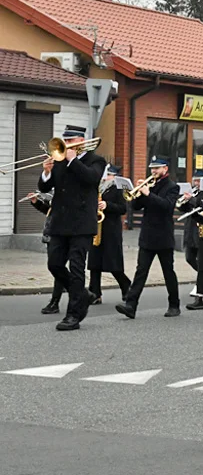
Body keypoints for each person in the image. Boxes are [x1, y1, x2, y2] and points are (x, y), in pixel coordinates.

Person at [38, 125, 105, 331]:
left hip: (82, 224)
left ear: (81, 141)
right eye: (65, 141)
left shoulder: (96, 160)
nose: (67, 144)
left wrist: (72, 160)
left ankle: (73, 314)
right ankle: (82, 294)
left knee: (76, 268)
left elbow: (90, 179)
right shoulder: (59, 160)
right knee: (54, 264)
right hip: (60, 222)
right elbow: (44, 188)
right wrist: (46, 172)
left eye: (72, 141)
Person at [115, 155, 181, 320]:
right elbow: (136, 206)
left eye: (157, 168)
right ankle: (131, 305)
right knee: (141, 271)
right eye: (152, 168)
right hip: (147, 235)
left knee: (168, 272)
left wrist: (148, 193)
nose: (153, 171)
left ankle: (174, 304)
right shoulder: (149, 184)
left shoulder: (173, 187)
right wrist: (137, 194)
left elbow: (166, 207)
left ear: (165, 169)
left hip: (164, 236)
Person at [88, 165, 131, 304]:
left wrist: (107, 205)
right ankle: (95, 293)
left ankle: (125, 286)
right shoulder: (97, 187)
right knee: (94, 262)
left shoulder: (118, 188)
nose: (106, 177)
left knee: (113, 263)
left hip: (111, 229)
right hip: (96, 227)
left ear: (115, 176)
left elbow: (123, 208)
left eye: (109, 175)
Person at [180, 168, 203, 274]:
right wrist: (183, 202)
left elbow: (202, 205)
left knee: (201, 258)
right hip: (190, 228)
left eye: (199, 181)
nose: (197, 183)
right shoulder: (193, 192)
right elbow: (184, 209)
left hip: (200, 229)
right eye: (195, 180)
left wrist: (191, 199)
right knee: (189, 258)